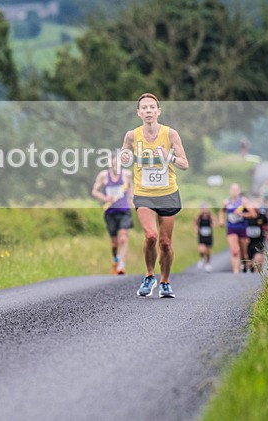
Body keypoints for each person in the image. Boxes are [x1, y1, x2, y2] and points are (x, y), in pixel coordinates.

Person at [121, 93, 189, 298]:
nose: (148, 111)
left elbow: (184, 164)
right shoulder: (132, 136)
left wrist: (167, 156)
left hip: (168, 193)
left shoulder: (170, 134)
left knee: (165, 242)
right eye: (144, 108)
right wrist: (124, 157)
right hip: (143, 194)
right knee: (151, 236)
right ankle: (149, 275)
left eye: (152, 107)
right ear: (139, 113)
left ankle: (165, 282)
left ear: (159, 111)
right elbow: (124, 158)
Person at [91, 151, 134, 275]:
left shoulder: (127, 174)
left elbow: (130, 187)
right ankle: (115, 260)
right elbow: (94, 191)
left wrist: (131, 201)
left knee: (123, 238)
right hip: (110, 211)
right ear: (110, 165)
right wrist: (105, 198)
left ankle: (121, 264)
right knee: (114, 242)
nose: (116, 168)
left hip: (124, 210)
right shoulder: (103, 176)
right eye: (114, 165)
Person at [218, 183, 256, 274]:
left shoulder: (244, 201)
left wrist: (242, 214)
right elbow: (221, 212)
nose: (234, 192)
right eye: (233, 190)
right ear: (230, 191)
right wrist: (221, 220)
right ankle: (236, 273)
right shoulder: (226, 202)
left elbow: (253, 214)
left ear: (239, 191)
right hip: (231, 229)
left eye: (236, 190)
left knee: (244, 254)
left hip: (242, 229)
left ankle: (245, 263)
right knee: (235, 251)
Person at [244, 195, 268, 273]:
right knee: (249, 264)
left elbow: (267, 226)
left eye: (257, 206)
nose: (256, 208)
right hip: (248, 242)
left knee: (259, 258)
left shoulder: (262, 217)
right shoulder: (246, 216)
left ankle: (258, 276)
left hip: (259, 241)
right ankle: (249, 267)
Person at [194, 203, 216, 273]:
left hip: (209, 236)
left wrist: (213, 225)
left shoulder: (210, 216)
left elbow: (215, 222)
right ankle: (202, 258)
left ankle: (208, 264)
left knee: (208, 251)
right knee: (201, 250)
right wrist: (196, 229)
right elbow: (195, 223)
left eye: (205, 208)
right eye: (202, 209)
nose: (204, 210)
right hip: (201, 236)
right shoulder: (199, 217)